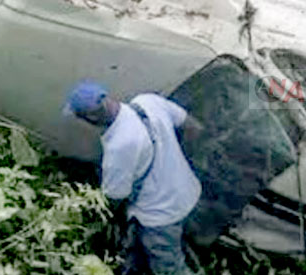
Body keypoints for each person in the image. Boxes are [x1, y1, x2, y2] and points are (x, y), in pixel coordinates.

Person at [63, 81, 202, 275]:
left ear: (92, 116)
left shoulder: (119, 147)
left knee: (170, 269)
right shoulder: (148, 102)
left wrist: (93, 219)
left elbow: (114, 197)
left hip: (161, 216)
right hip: (189, 190)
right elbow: (193, 126)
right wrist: (177, 158)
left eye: (81, 117)